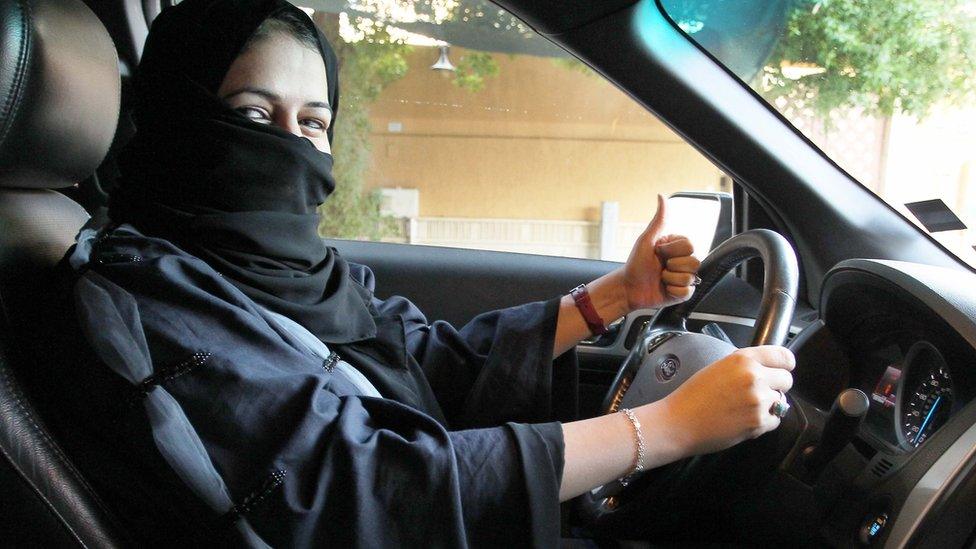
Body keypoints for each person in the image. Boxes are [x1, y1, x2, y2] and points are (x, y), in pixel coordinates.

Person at [56, 0, 795, 546]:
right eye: (253, 115)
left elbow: (425, 358)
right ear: (179, 121)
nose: (290, 147)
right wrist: (663, 427)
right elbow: (363, 484)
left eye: (313, 122)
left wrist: (615, 298)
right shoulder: (149, 293)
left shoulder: (291, 271)